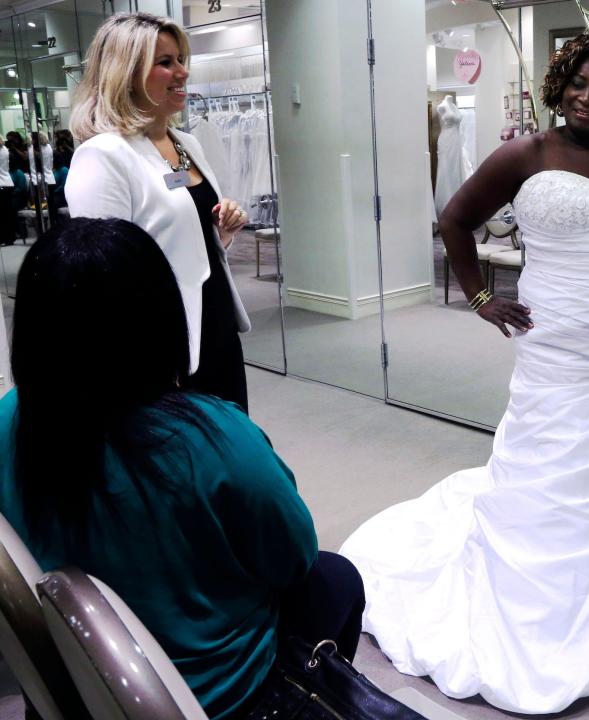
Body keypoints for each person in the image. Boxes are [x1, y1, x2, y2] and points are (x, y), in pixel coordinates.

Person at [340, 32, 589, 714]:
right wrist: (482, 298)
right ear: (559, 85)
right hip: (560, 339)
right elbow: (456, 219)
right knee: (554, 451)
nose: (587, 96)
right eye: (577, 83)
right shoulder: (526, 153)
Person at [0, 217, 365, 720]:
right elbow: (293, 558)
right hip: (214, 697)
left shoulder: (8, 420)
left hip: (77, 679)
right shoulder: (216, 438)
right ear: (158, 317)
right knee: (336, 577)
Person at [66, 12, 251, 411]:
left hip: (213, 321)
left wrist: (223, 229)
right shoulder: (104, 155)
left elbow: (179, 231)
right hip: (162, 341)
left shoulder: (185, 142)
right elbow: (100, 278)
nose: (182, 72)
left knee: (228, 447)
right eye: (165, 62)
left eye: (181, 59)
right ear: (125, 74)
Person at [0, 141, 14, 246]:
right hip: (8, 182)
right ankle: (10, 237)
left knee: (3, 214)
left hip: (1, 183)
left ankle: (6, 238)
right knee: (8, 213)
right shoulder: (5, 149)